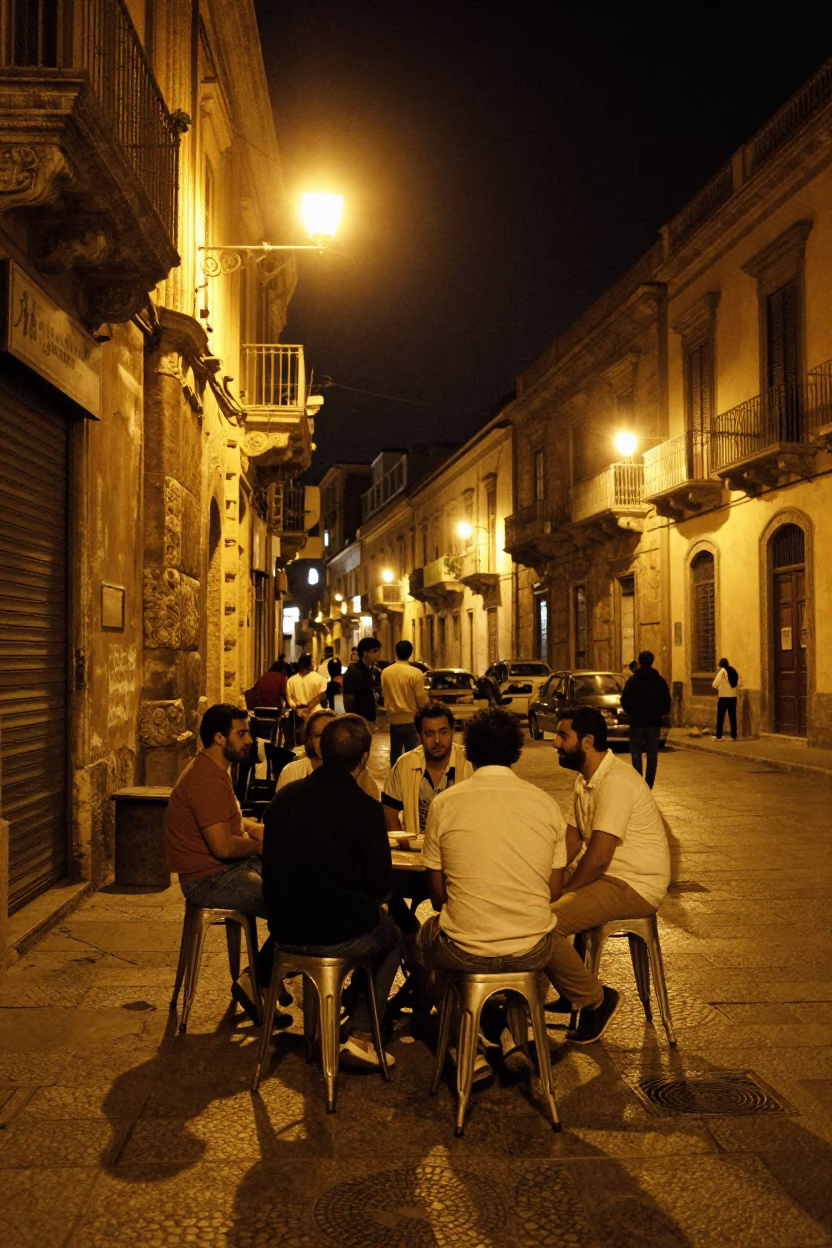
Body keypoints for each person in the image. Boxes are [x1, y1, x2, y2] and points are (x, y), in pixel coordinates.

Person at [418, 707, 570, 1081]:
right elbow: (553, 890)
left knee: (427, 941)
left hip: (465, 947)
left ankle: (467, 1048)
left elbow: (437, 895)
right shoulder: (547, 805)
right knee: (510, 950)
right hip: (533, 947)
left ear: (467, 752)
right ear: (516, 752)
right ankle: (504, 1035)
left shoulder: (445, 804)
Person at [262, 715, 401, 1068]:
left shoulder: (284, 799)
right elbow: (381, 887)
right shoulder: (366, 809)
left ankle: (343, 1018)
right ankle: (360, 1035)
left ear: (322, 749)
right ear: (364, 758)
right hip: (338, 933)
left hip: (284, 931)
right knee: (394, 936)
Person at [549, 705, 671, 1043]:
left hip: (633, 883)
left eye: (563, 736)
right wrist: (545, 879)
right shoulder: (585, 780)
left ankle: (595, 1000)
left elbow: (599, 856)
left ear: (587, 741)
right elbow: (571, 841)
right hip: (611, 877)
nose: (555, 743)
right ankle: (560, 987)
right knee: (533, 903)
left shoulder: (615, 782)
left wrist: (564, 891)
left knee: (545, 924)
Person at [164, 703, 289, 1022]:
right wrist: (262, 849)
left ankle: (266, 975)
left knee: (301, 886)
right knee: (297, 909)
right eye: (242, 733)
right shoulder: (206, 779)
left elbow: (233, 823)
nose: (249, 739)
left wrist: (266, 832)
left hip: (223, 871)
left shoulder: (214, 770)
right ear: (220, 738)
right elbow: (221, 845)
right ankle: (258, 980)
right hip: (209, 879)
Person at [382, 703, 473, 839]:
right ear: (419, 735)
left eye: (443, 732)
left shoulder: (470, 763)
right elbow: (389, 812)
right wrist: (405, 845)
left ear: (452, 731)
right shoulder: (404, 765)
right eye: (429, 733)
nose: (437, 740)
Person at [277, 708, 380, 799]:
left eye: (330, 735)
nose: (324, 741)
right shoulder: (292, 772)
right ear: (309, 740)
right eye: (318, 735)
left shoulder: (358, 773)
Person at [620, 650, 671, 789]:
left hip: (637, 722)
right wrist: (659, 713)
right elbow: (667, 702)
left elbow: (624, 700)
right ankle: (649, 786)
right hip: (654, 723)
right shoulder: (660, 681)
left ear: (640, 662)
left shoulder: (633, 681)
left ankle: (639, 785)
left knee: (636, 753)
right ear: (652, 662)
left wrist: (631, 712)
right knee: (652, 755)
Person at [381, 640, 430, 763]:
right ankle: (411, 781)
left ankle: (395, 780)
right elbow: (421, 700)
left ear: (396, 652)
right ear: (410, 653)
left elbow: (384, 694)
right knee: (413, 757)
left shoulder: (385, 672)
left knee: (395, 756)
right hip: (411, 721)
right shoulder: (416, 673)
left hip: (393, 721)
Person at [342, 637, 381, 726]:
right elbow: (348, 699)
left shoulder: (370, 671)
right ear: (365, 653)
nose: (378, 654)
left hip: (369, 720)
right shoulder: (354, 672)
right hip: (359, 722)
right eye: (375, 651)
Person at [286, 652, 327, 732]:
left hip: (297, 718)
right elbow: (322, 696)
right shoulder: (321, 679)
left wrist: (297, 709)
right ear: (310, 664)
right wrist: (310, 707)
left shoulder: (291, 680)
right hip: (316, 716)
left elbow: (289, 699)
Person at [712, 657, 740, 741]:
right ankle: (733, 736)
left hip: (723, 697)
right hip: (733, 697)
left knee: (720, 717)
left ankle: (718, 736)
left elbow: (715, 684)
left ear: (720, 665)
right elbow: (740, 682)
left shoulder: (722, 671)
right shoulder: (734, 670)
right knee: (732, 716)